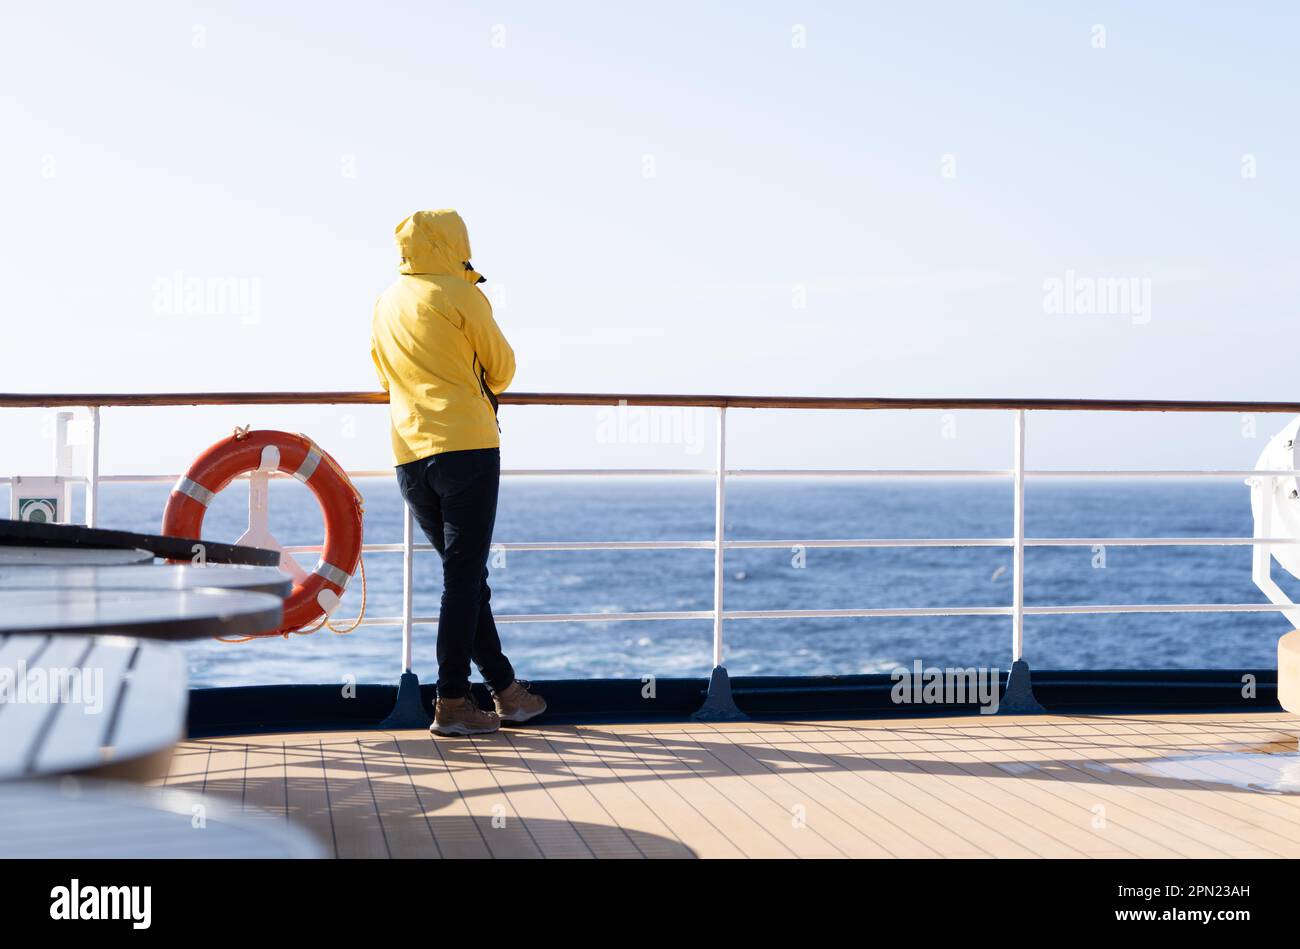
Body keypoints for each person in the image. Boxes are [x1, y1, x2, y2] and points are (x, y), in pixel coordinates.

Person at [370, 209, 545, 737]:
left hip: (409, 452)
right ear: (455, 243)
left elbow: (381, 371)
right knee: (463, 580)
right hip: (465, 448)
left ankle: (507, 692)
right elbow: (504, 370)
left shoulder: (386, 302)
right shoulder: (460, 294)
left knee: (466, 579)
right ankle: (451, 701)